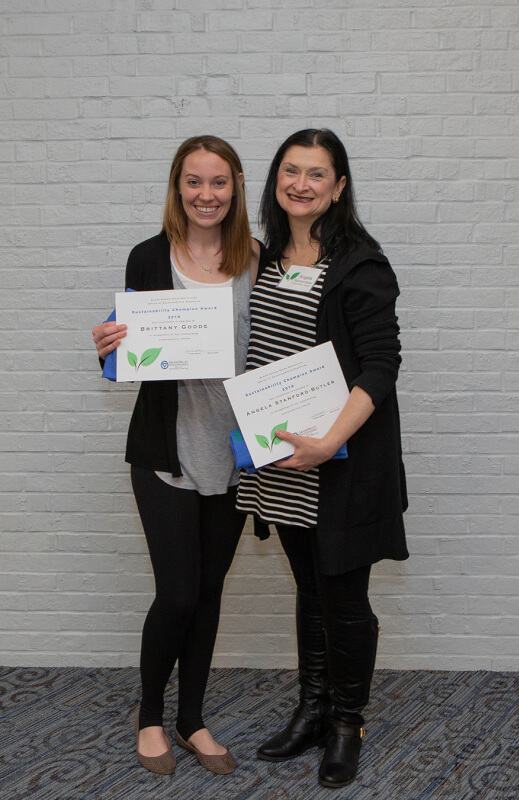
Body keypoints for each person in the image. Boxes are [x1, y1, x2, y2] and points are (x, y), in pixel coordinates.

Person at [236, 129, 408, 789]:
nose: (300, 184)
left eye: (316, 174)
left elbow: (381, 367)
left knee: (343, 597)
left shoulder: (360, 263)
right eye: (290, 171)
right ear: (276, 180)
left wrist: (326, 441)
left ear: (338, 187)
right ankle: (311, 708)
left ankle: (346, 722)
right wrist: (125, 343)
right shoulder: (265, 258)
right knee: (308, 588)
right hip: (283, 463)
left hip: (339, 466)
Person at [92, 136, 259, 776]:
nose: (206, 195)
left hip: (234, 454)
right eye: (194, 182)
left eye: (218, 182)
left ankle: (192, 718)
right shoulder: (147, 257)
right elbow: (130, 354)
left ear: (237, 187)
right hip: (165, 450)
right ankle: (152, 716)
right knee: (178, 594)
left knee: (210, 592)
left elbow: (272, 349)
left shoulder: (258, 260)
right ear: (177, 186)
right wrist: (108, 348)